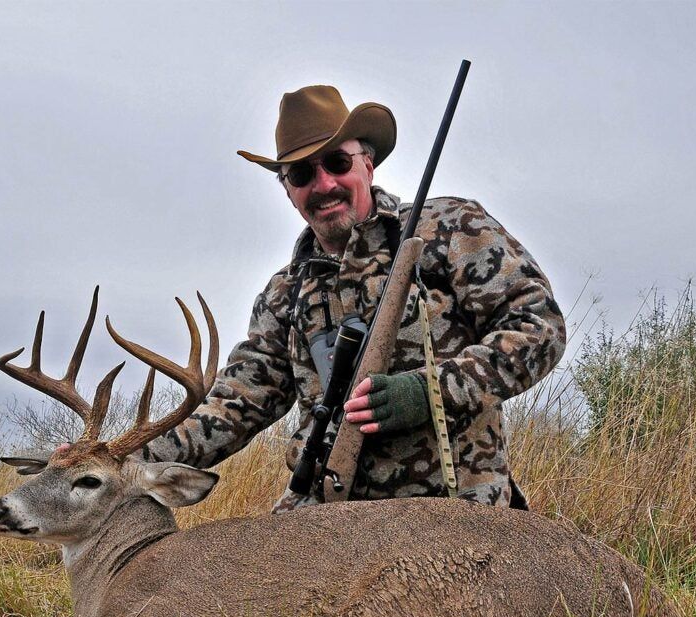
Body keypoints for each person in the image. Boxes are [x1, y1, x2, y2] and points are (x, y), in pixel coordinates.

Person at [145, 84, 565, 511]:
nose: (324, 184)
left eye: (337, 163)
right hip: (326, 509)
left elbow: (539, 326)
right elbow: (235, 405)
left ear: (368, 163)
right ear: (288, 191)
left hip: (454, 504)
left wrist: (429, 392)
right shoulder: (284, 294)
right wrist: (115, 459)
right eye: (302, 175)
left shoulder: (451, 228)